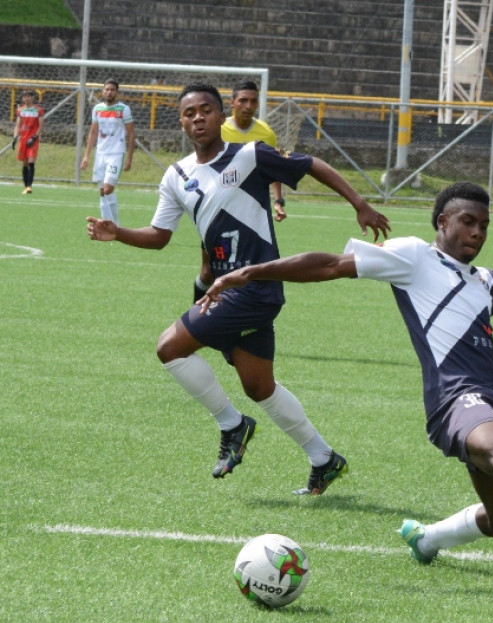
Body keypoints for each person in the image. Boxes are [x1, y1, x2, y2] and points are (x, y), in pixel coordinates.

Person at [198, 181, 493, 561]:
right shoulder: (414, 257)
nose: (478, 233)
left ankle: (426, 539)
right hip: (454, 399)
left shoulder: (486, 283)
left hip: (490, 401)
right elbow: (330, 265)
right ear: (443, 222)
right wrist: (250, 273)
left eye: (484, 225)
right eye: (468, 222)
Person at [86, 80, 391, 495]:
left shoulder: (250, 156)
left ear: (220, 115)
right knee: (258, 385)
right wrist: (117, 232)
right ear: (181, 122)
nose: (198, 118)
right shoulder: (176, 176)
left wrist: (359, 202)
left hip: (255, 287)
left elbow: (311, 164)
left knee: (169, 348)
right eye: (190, 113)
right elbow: (159, 236)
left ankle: (233, 425)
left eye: (206, 110)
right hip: (224, 289)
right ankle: (324, 459)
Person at [190, 79, 288, 303]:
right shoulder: (219, 129)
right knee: (209, 271)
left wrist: (278, 201)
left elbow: (274, 169)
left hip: (253, 212)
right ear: (232, 102)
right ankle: (197, 313)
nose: (248, 106)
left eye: (253, 101)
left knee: (248, 269)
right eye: (243, 100)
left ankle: (242, 320)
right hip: (219, 211)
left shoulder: (265, 133)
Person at [81, 79, 136, 226]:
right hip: (100, 154)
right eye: (107, 89)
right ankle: (106, 225)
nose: (109, 92)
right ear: (103, 91)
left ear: (117, 92)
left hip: (116, 154)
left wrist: (129, 158)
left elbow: (131, 134)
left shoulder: (123, 109)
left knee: (108, 189)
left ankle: (116, 225)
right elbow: (93, 132)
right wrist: (86, 156)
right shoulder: (97, 109)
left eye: (112, 89)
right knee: (101, 191)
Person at [13, 89, 44, 195]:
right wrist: (15, 137)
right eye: (25, 96)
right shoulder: (20, 110)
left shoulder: (38, 110)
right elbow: (18, 124)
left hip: (33, 140)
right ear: (22, 98)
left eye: (29, 96)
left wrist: (35, 137)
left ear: (33, 97)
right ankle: (26, 186)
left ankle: (30, 186)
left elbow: (41, 126)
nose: (27, 98)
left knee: (31, 161)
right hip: (23, 139)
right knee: (25, 163)